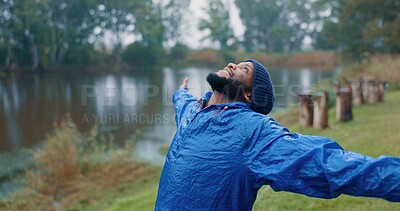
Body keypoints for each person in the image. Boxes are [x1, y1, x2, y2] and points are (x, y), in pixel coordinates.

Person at [155, 59, 400, 210]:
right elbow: (182, 103)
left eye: (244, 69)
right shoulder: (194, 111)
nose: (232, 65)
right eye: (236, 63)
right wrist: (180, 92)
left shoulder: (254, 131)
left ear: (249, 95)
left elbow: (328, 165)